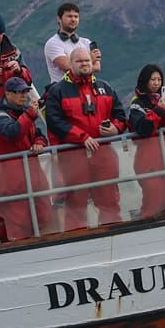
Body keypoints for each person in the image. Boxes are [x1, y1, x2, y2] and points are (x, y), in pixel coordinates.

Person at [42, 46, 125, 232]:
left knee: (109, 198)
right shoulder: (58, 91)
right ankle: (77, 238)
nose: (85, 64)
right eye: (79, 61)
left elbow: (120, 115)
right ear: (70, 64)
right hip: (73, 155)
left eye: (87, 60)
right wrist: (81, 137)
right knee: (76, 202)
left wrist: (115, 129)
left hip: (103, 153)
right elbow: (54, 122)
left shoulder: (105, 87)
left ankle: (116, 233)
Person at [0, 76, 52, 240]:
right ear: (8, 94)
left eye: (25, 91)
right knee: (18, 220)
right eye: (19, 92)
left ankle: (40, 245)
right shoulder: (1, 116)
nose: (24, 95)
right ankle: (15, 247)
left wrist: (39, 142)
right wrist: (30, 114)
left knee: (44, 212)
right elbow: (13, 133)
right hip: (13, 176)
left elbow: (39, 134)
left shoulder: (22, 113)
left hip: (32, 173)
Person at [125, 64, 165, 219]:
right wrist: (158, 110)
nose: (156, 83)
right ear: (145, 81)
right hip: (148, 158)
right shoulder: (137, 104)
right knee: (154, 198)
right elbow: (143, 128)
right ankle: (150, 227)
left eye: (159, 79)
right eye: (153, 79)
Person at [43, 1, 92, 83]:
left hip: (85, 89)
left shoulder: (86, 42)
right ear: (59, 19)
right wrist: (90, 61)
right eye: (69, 16)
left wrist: (79, 65)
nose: (73, 19)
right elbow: (67, 67)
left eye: (76, 17)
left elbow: (97, 67)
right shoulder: (53, 43)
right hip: (62, 91)